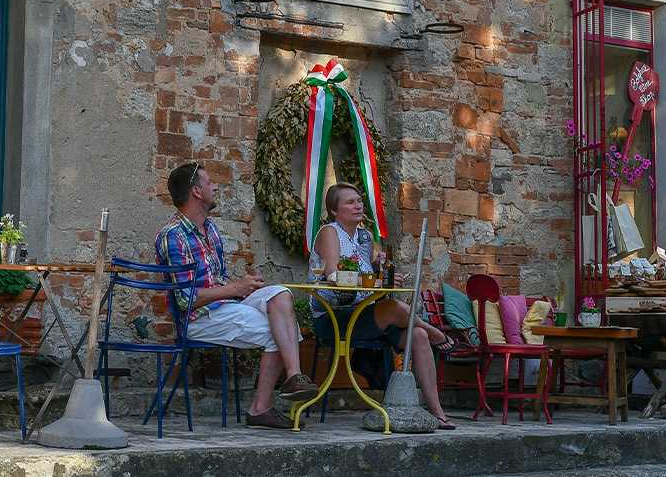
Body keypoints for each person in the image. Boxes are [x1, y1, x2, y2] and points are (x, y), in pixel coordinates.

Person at [156, 162, 317, 430]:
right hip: (198, 318)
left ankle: (294, 377)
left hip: (227, 304)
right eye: (209, 183)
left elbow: (218, 277)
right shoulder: (173, 236)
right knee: (280, 331)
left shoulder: (210, 229)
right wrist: (236, 289)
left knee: (280, 295)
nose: (215, 187)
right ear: (196, 192)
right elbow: (186, 300)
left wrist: (246, 288)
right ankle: (260, 409)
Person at [310, 182, 458, 429]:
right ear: (334, 210)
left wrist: (376, 268)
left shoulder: (365, 236)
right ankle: (435, 331)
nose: (358, 206)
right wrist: (375, 280)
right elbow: (334, 275)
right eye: (350, 202)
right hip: (334, 317)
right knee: (394, 307)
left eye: (359, 201)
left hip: (365, 314)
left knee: (418, 336)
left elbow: (361, 274)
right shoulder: (329, 233)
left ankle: (436, 411)